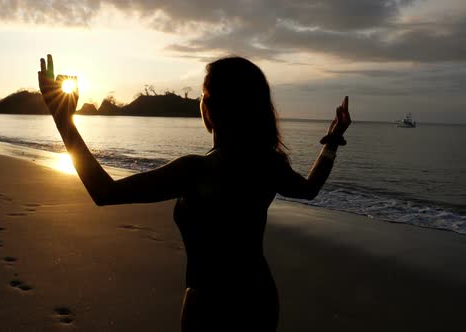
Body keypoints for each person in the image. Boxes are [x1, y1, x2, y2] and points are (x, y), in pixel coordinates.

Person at [38, 55, 351, 331]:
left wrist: (63, 120)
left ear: (211, 109)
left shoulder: (194, 171)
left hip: (209, 308)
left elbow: (104, 192)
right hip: (259, 301)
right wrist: (333, 142)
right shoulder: (268, 164)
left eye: (203, 96)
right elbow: (309, 190)